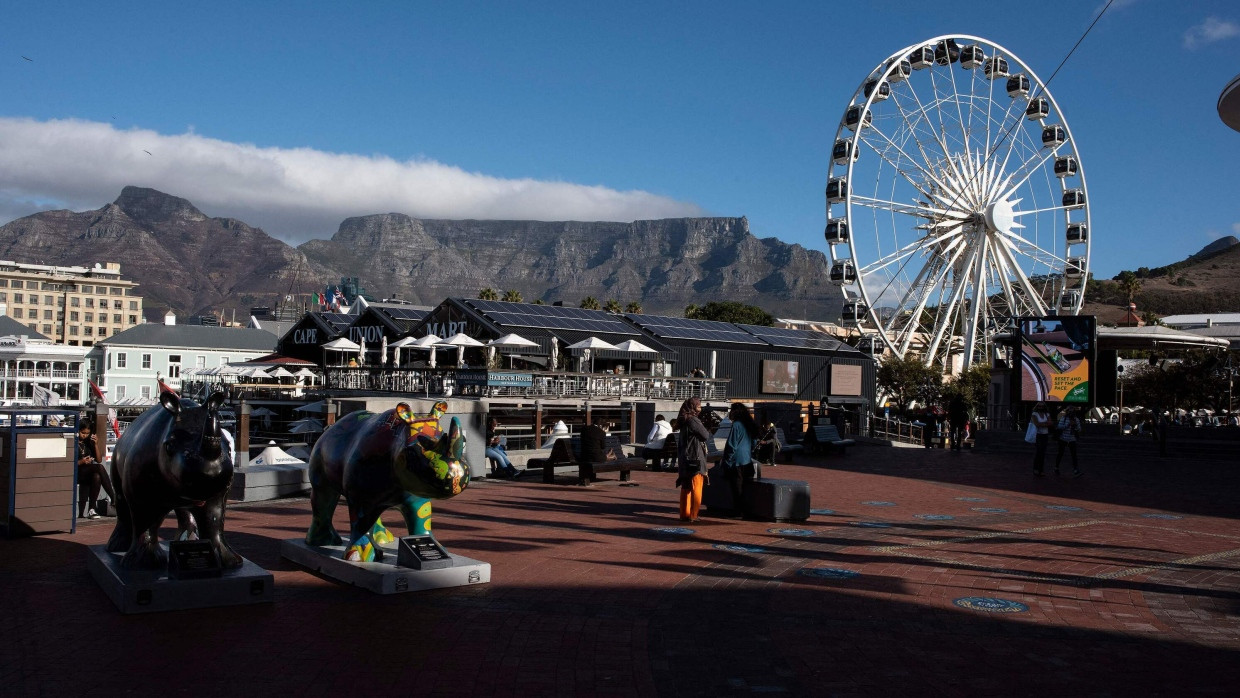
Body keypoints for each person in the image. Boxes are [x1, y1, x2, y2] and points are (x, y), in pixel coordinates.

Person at [720, 403, 761, 518]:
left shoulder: (736, 425)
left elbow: (731, 445)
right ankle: (747, 510)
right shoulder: (749, 424)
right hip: (747, 459)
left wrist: (726, 460)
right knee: (746, 487)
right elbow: (753, 442)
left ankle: (738, 511)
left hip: (736, 461)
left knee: (736, 487)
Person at [675, 397, 711, 522]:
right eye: (698, 405)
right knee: (697, 486)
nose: (700, 408)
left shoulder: (683, 420)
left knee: (685, 487)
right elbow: (705, 435)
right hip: (695, 458)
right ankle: (694, 514)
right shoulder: (693, 420)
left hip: (684, 459)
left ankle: (684, 513)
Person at [76, 423, 115, 519]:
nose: (85, 435)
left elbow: (98, 460)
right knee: (100, 467)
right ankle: (113, 497)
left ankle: (91, 509)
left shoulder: (88, 443)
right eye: (82, 432)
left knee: (97, 476)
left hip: (87, 472)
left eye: (87, 433)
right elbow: (69, 462)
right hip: (77, 472)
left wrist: (96, 444)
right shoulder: (73, 442)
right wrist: (82, 461)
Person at [578, 418, 611, 483]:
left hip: (584, 456)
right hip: (596, 457)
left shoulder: (584, 429)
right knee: (602, 457)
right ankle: (611, 456)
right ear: (600, 425)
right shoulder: (601, 433)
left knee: (601, 456)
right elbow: (603, 447)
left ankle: (610, 455)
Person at [1054, 406, 1083, 477]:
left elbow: (1079, 429)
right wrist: (1068, 425)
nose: (1071, 413)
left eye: (1072, 411)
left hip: (1072, 439)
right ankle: (1056, 467)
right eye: (1069, 411)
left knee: (1074, 455)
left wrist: (1075, 426)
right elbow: (1059, 427)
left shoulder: (1076, 419)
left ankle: (1076, 470)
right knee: (1060, 454)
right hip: (1063, 438)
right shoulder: (1063, 418)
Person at [1030, 402, 1052, 476]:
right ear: (1037, 407)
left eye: (1042, 406)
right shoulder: (1034, 414)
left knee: (1043, 453)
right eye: (1039, 406)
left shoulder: (1047, 414)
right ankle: (1035, 468)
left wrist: (1042, 424)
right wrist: (1045, 423)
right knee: (1038, 452)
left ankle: (1041, 470)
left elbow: (1050, 423)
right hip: (1037, 435)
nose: (1040, 408)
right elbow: (1037, 424)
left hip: (1045, 435)